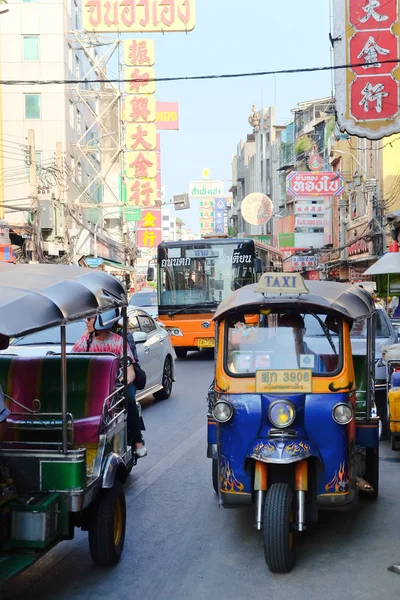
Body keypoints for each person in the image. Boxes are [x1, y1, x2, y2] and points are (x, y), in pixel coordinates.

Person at [72, 310, 147, 458]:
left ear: (102, 320)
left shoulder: (119, 341)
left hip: (117, 383)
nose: (86, 322)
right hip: (94, 384)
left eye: (90, 318)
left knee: (128, 399)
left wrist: (118, 384)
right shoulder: (85, 340)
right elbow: (73, 362)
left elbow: (130, 372)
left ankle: (138, 442)